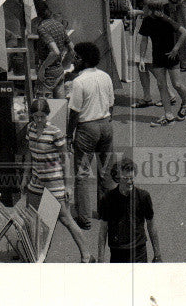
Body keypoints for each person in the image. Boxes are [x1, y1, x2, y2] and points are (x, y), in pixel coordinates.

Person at [22, 98, 94, 263]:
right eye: (36, 116)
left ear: (47, 114)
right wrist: (25, 177)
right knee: (30, 217)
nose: (39, 120)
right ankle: (35, 255)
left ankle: (86, 255)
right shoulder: (30, 129)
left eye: (42, 116)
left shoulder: (55, 132)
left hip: (54, 181)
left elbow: (65, 159)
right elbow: (29, 155)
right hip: (36, 180)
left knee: (65, 219)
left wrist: (68, 186)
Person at [67, 41, 114, 229]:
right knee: (105, 172)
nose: (73, 60)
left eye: (75, 57)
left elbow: (74, 112)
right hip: (106, 125)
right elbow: (111, 105)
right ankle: (105, 213)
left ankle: (84, 219)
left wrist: (69, 136)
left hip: (87, 128)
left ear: (82, 60)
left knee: (82, 174)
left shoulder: (79, 82)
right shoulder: (105, 76)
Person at [138, 0, 186, 127]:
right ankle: (168, 115)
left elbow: (184, 32)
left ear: (150, 9)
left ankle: (185, 103)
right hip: (157, 56)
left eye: (145, 8)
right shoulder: (147, 21)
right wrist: (142, 59)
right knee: (161, 85)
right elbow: (144, 40)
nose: (143, 10)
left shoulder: (166, 20)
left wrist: (176, 49)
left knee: (177, 84)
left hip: (171, 56)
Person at [97, 156, 161, 263]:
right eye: (126, 179)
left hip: (139, 252)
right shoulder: (108, 199)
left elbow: (151, 225)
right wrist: (100, 259)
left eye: (132, 178)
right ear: (117, 178)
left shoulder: (143, 197)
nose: (130, 182)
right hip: (117, 253)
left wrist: (157, 255)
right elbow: (103, 230)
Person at [35, 0, 74, 99]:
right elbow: (71, 48)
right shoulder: (59, 24)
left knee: (43, 106)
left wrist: (42, 68)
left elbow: (55, 51)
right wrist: (64, 63)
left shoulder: (42, 28)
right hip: (59, 71)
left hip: (48, 73)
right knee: (60, 105)